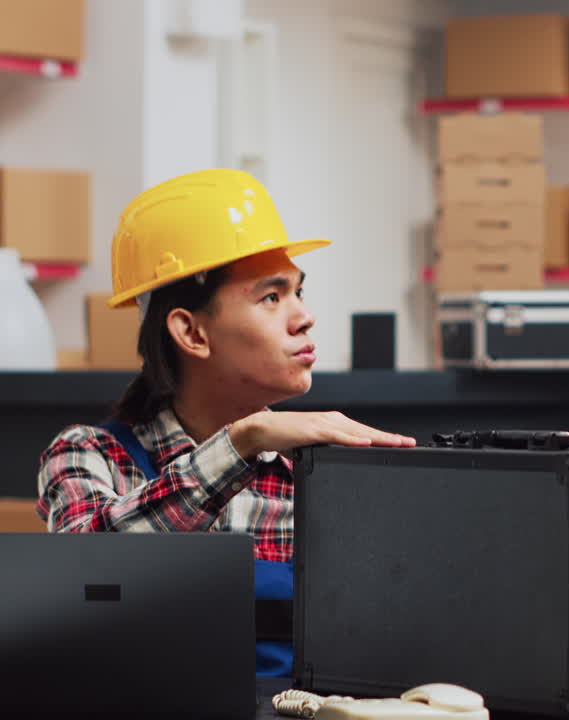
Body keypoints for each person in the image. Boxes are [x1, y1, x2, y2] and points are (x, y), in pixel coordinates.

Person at [36, 168, 415, 677]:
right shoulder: (90, 456)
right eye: (271, 297)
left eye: (299, 292)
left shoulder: (322, 479)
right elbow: (79, 576)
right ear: (191, 333)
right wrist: (239, 443)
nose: (304, 317)